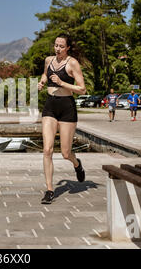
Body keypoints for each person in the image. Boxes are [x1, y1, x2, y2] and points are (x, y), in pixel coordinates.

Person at [37, 34, 87, 204]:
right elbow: (45, 75)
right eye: (56, 45)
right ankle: (50, 190)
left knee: (65, 153)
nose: (57, 49)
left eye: (61, 46)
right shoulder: (48, 60)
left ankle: (76, 163)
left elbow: (82, 89)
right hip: (50, 106)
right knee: (47, 149)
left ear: (68, 48)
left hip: (67, 108)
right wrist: (42, 82)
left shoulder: (72, 63)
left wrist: (62, 83)